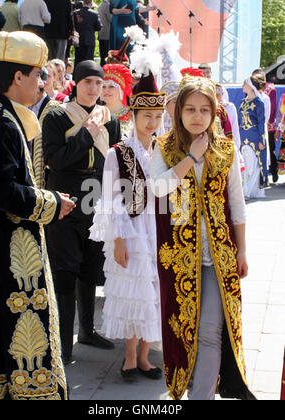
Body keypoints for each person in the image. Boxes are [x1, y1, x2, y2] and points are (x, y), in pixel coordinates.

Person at [150, 73, 255, 400]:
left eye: (205, 110)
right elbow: (158, 189)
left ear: (215, 113)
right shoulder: (163, 147)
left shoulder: (225, 149)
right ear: (178, 111)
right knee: (184, 332)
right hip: (179, 258)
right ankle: (194, 387)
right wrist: (192, 158)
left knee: (211, 331)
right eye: (191, 109)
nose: (197, 116)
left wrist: (242, 251)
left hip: (219, 257)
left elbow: (236, 203)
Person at [0, 30, 76, 400]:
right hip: (5, 256)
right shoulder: (0, 123)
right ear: (17, 77)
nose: (43, 82)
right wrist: (51, 204)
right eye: (38, 74)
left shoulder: (5, 116)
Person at [42, 60, 121, 364]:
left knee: (90, 266)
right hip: (65, 197)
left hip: (97, 200)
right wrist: (87, 132)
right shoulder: (58, 116)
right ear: (77, 83)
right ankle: (63, 343)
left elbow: (114, 164)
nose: (93, 89)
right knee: (65, 269)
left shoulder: (110, 120)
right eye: (88, 82)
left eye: (99, 84)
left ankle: (87, 330)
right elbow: (55, 159)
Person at [90, 67, 166, 381]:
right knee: (134, 292)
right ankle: (130, 358)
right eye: (147, 115)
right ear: (133, 113)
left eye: (158, 115)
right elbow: (110, 199)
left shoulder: (163, 151)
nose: (153, 122)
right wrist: (119, 238)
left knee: (155, 293)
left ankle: (146, 358)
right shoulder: (117, 153)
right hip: (132, 232)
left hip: (159, 230)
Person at [239, 76, 268, 199]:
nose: (242, 86)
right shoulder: (242, 102)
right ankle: (245, 189)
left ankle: (249, 190)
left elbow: (262, 122)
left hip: (255, 137)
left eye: (245, 84)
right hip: (243, 137)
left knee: (252, 164)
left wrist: (262, 140)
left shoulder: (258, 103)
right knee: (245, 163)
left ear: (251, 86)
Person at [253, 69, 278, 182]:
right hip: (255, 126)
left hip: (267, 125)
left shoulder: (270, 90)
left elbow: (272, 109)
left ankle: (273, 171)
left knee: (269, 149)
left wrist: (267, 122)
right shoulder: (251, 90)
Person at [101, 63, 133, 135]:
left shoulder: (133, 115)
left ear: (121, 90)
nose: (106, 90)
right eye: (103, 86)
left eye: (111, 86)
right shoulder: (96, 114)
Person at [74, 0, 102, 65]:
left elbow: (73, 26)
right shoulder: (94, 14)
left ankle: (77, 74)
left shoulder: (76, 13)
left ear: (83, 3)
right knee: (89, 62)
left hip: (78, 39)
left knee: (78, 60)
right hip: (89, 40)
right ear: (91, 3)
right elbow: (99, 27)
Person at [98, 0, 112, 67]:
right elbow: (111, 19)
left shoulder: (101, 5)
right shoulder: (107, 5)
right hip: (107, 34)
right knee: (106, 57)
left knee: (103, 56)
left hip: (102, 34)